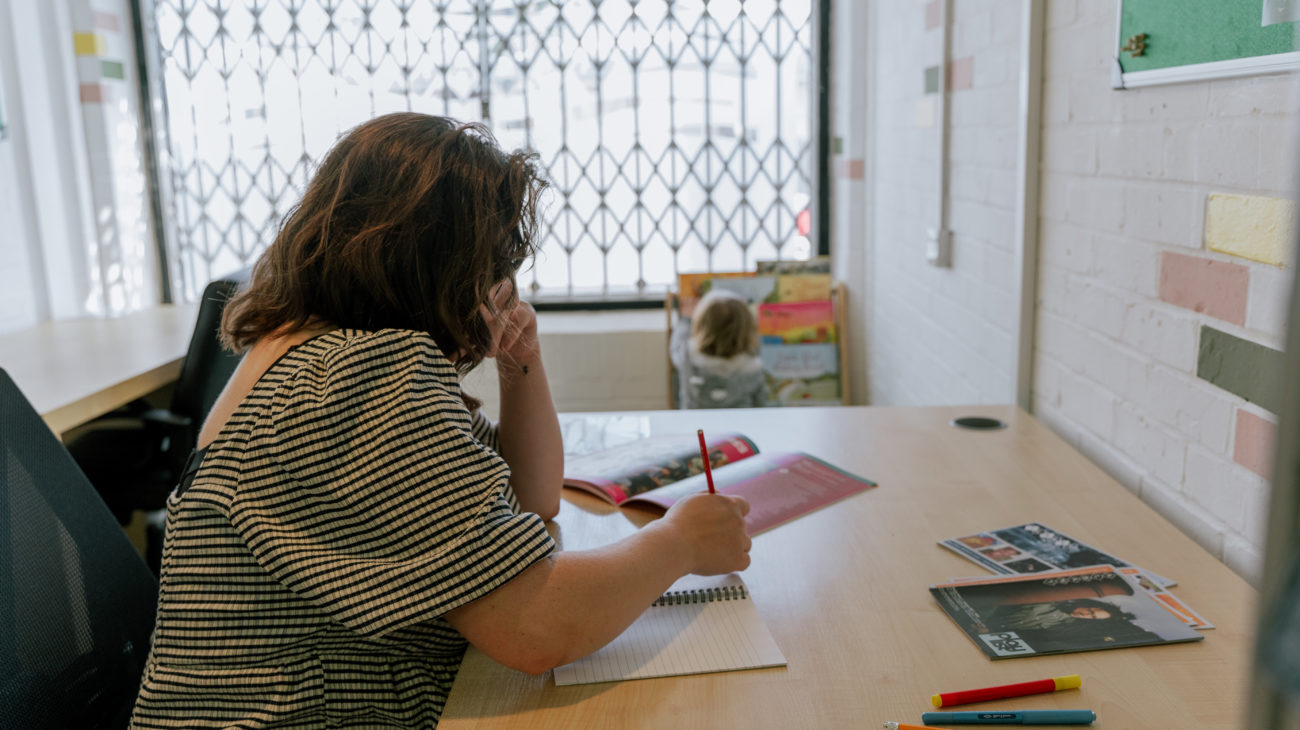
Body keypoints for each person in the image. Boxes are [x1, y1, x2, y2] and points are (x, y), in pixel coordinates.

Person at [130, 113, 751, 728]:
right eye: (490, 266)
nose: (502, 285)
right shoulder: (355, 378)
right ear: (438, 265)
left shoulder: (303, 347)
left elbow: (530, 501)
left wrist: (521, 365)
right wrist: (679, 543)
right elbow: (534, 627)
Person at [670, 289, 768, 408]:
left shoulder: (687, 357)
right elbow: (760, 404)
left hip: (696, 425)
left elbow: (677, 343)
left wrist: (686, 319)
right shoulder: (753, 367)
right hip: (740, 424)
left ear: (700, 325)